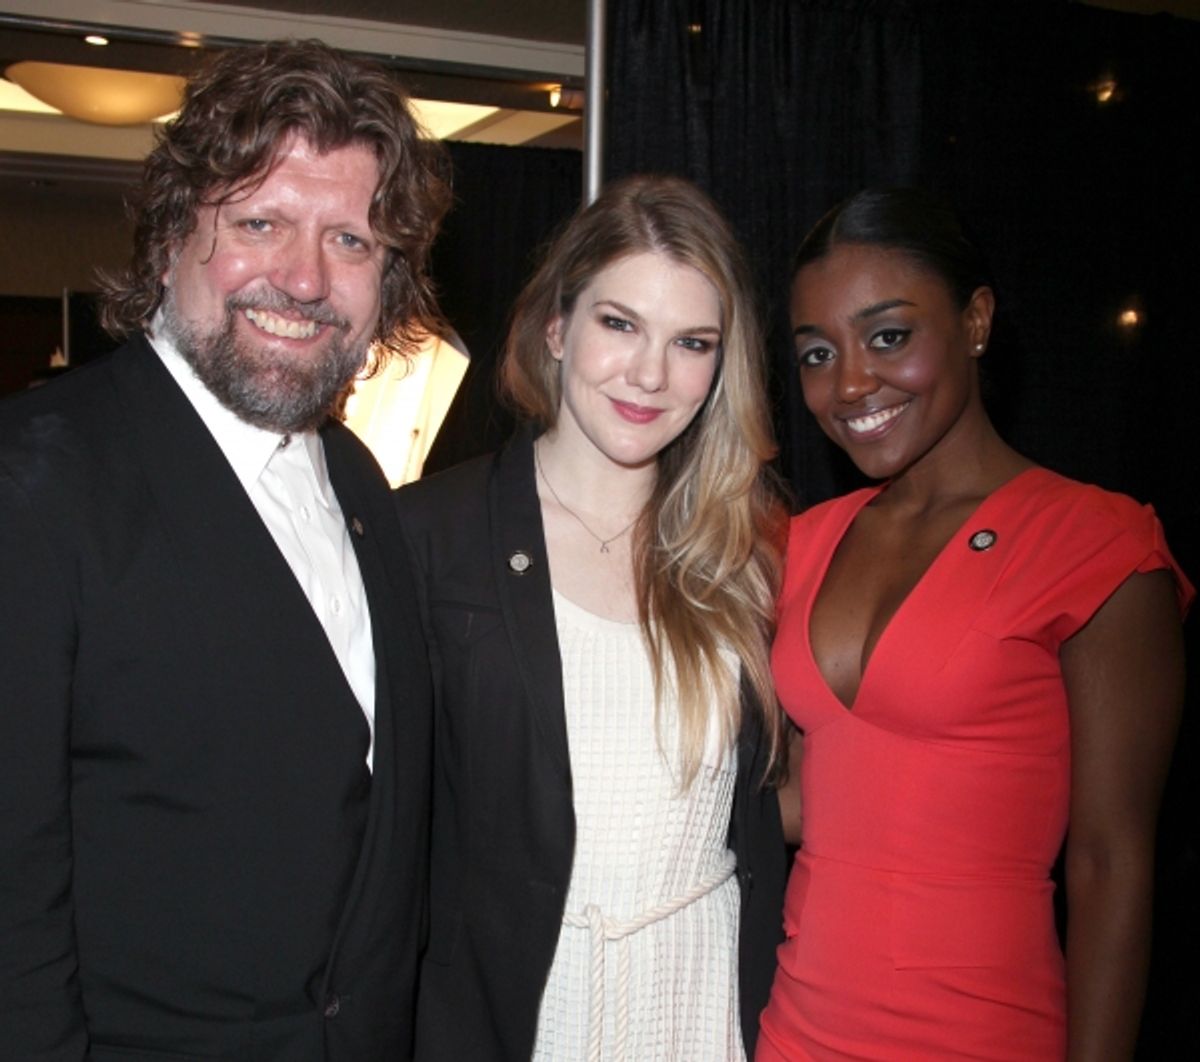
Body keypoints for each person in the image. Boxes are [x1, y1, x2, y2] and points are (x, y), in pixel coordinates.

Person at [0, 39, 449, 1059]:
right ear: (170, 240)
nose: (303, 278)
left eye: (350, 241)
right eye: (260, 224)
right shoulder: (32, 480)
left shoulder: (361, 484)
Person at [757, 188, 1193, 1061]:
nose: (849, 384)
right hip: (795, 1032)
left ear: (977, 321)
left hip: (980, 1033)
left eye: (889, 336)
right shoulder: (798, 544)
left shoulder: (1095, 544)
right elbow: (807, 800)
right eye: (816, 352)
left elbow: (1111, 866)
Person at [395, 174, 789, 1060]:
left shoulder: (742, 557)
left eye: (692, 342)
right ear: (556, 327)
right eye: (620, 324)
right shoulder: (428, 537)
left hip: (703, 1005)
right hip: (522, 1016)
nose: (651, 374)